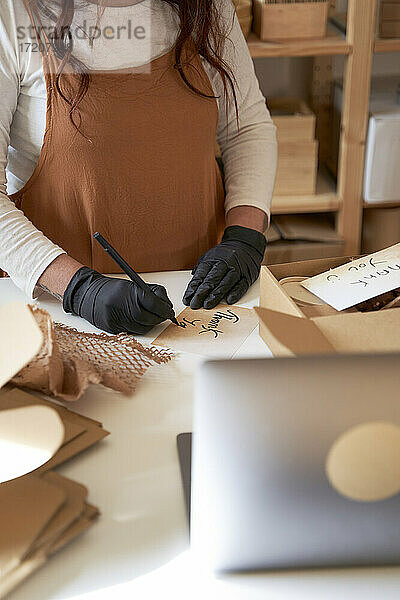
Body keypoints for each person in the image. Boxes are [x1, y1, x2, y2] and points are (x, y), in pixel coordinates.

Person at [0, 0, 277, 335]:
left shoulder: (208, 6)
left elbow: (247, 128)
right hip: (61, 309)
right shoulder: (13, 12)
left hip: (200, 300)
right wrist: (79, 289)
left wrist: (245, 236)